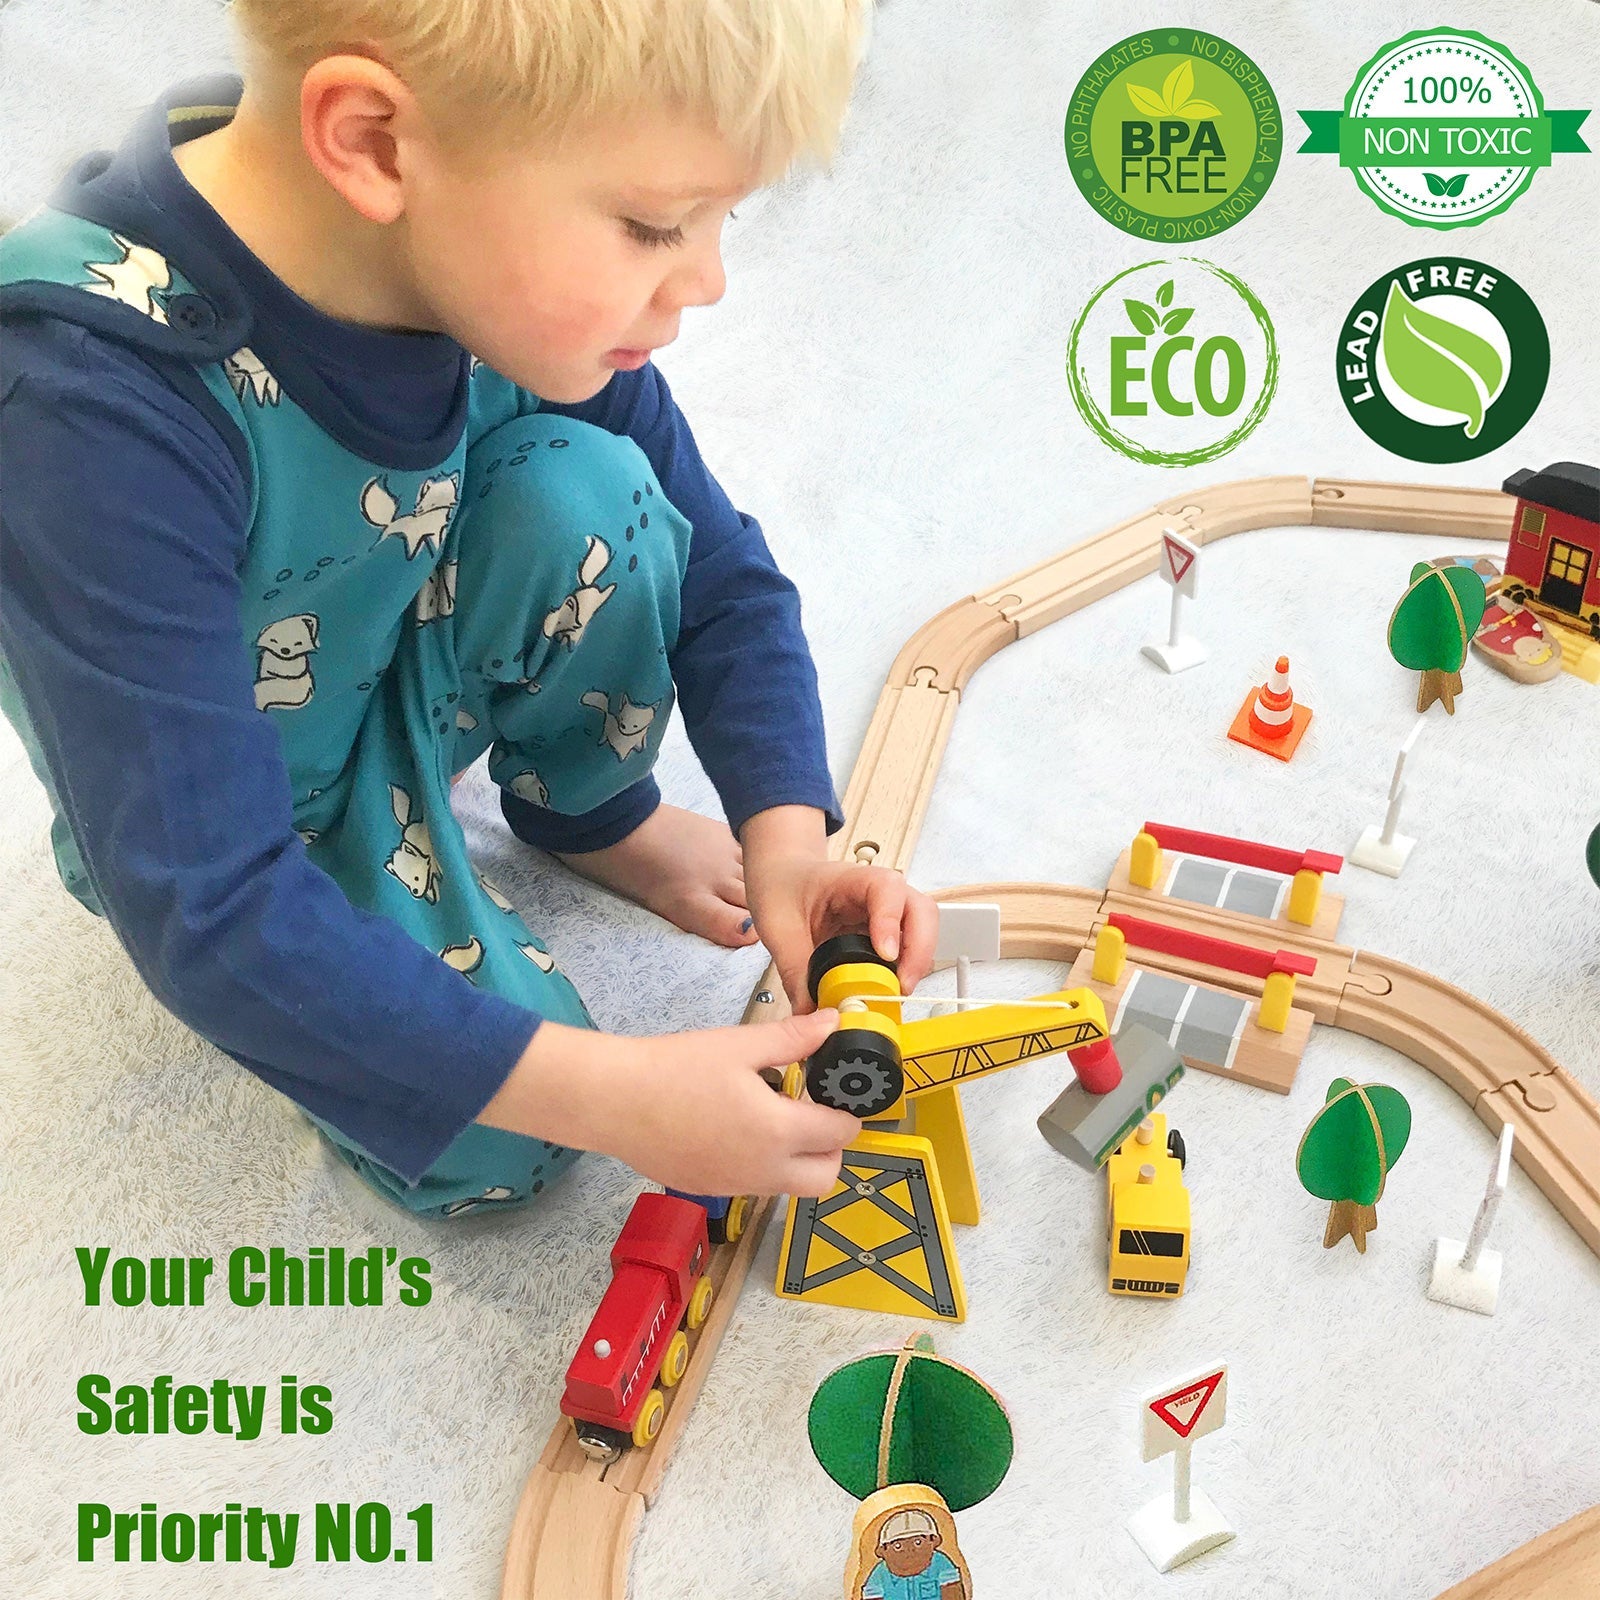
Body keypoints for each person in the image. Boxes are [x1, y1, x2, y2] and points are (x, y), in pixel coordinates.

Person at [0, 0, 939, 1219]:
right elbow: (207, 902)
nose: (707, 280)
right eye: (656, 224)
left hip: (397, 628)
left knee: (591, 494)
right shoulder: (85, 410)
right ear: (377, 145)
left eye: (720, 219)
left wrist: (791, 840)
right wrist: (612, 1094)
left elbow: (721, 571)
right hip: (252, 819)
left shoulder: (443, 245)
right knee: (507, 1150)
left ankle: (582, 811)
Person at [860, 1507, 966, 1600]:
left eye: (918, 1542)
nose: (909, 1551)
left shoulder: (940, 1563)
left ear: (934, 1541)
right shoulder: (880, 1574)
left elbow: (953, 1593)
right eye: (898, 1546)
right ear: (882, 1551)